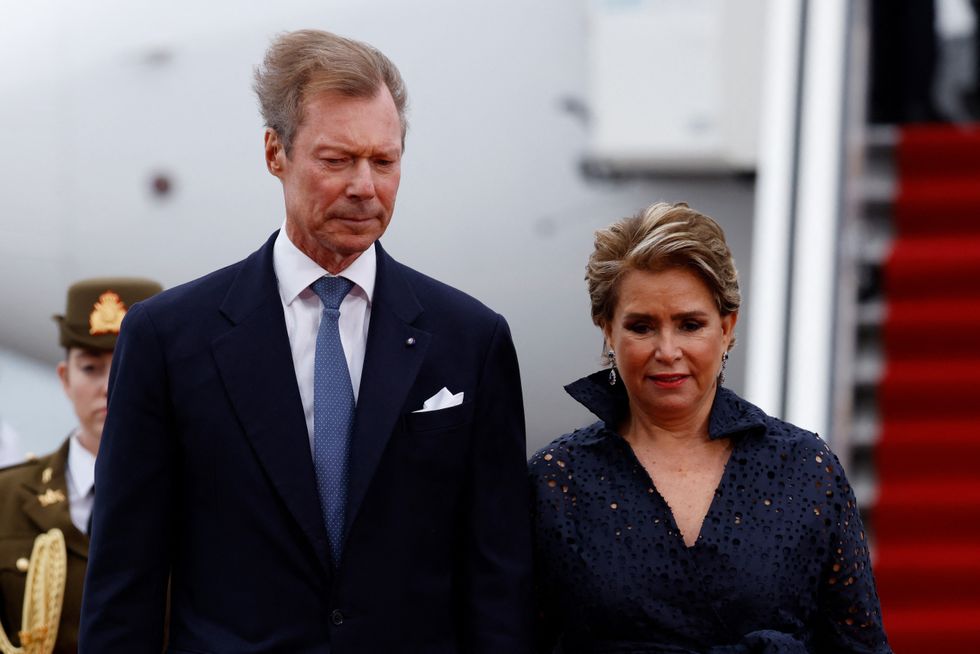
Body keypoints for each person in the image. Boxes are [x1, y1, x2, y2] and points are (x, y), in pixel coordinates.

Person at [79, 29, 532, 653]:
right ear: (275, 152)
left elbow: (497, 581)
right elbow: (123, 584)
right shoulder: (167, 338)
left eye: (384, 161)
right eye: (337, 159)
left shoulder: (471, 340)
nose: (364, 187)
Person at [529, 202, 892, 653]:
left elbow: (861, 645)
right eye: (642, 327)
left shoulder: (804, 468)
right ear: (607, 331)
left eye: (690, 325)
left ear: (726, 328)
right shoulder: (556, 478)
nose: (667, 350)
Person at [0, 277, 161, 654]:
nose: (109, 385)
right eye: (90, 368)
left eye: (127, 362)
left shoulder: (206, 496)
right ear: (65, 378)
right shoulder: (6, 498)